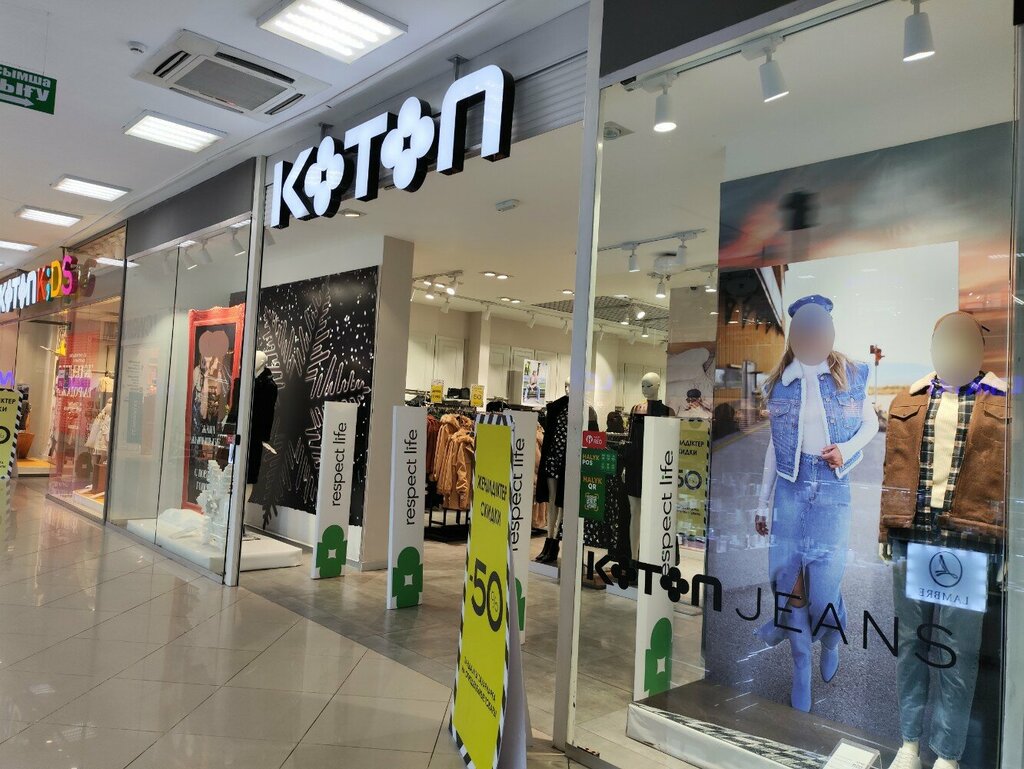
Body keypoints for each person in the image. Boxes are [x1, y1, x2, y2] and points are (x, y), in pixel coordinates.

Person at [754, 294, 878, 712]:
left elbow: (870, 424)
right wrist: (761, 502)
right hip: (791, 489)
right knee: (789, 584)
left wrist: (846, 449)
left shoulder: (851, 374)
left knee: (824, 591)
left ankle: (830, 636)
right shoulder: (779, 382)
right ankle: (801, 666)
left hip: (831, 487)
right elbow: (775, 446)